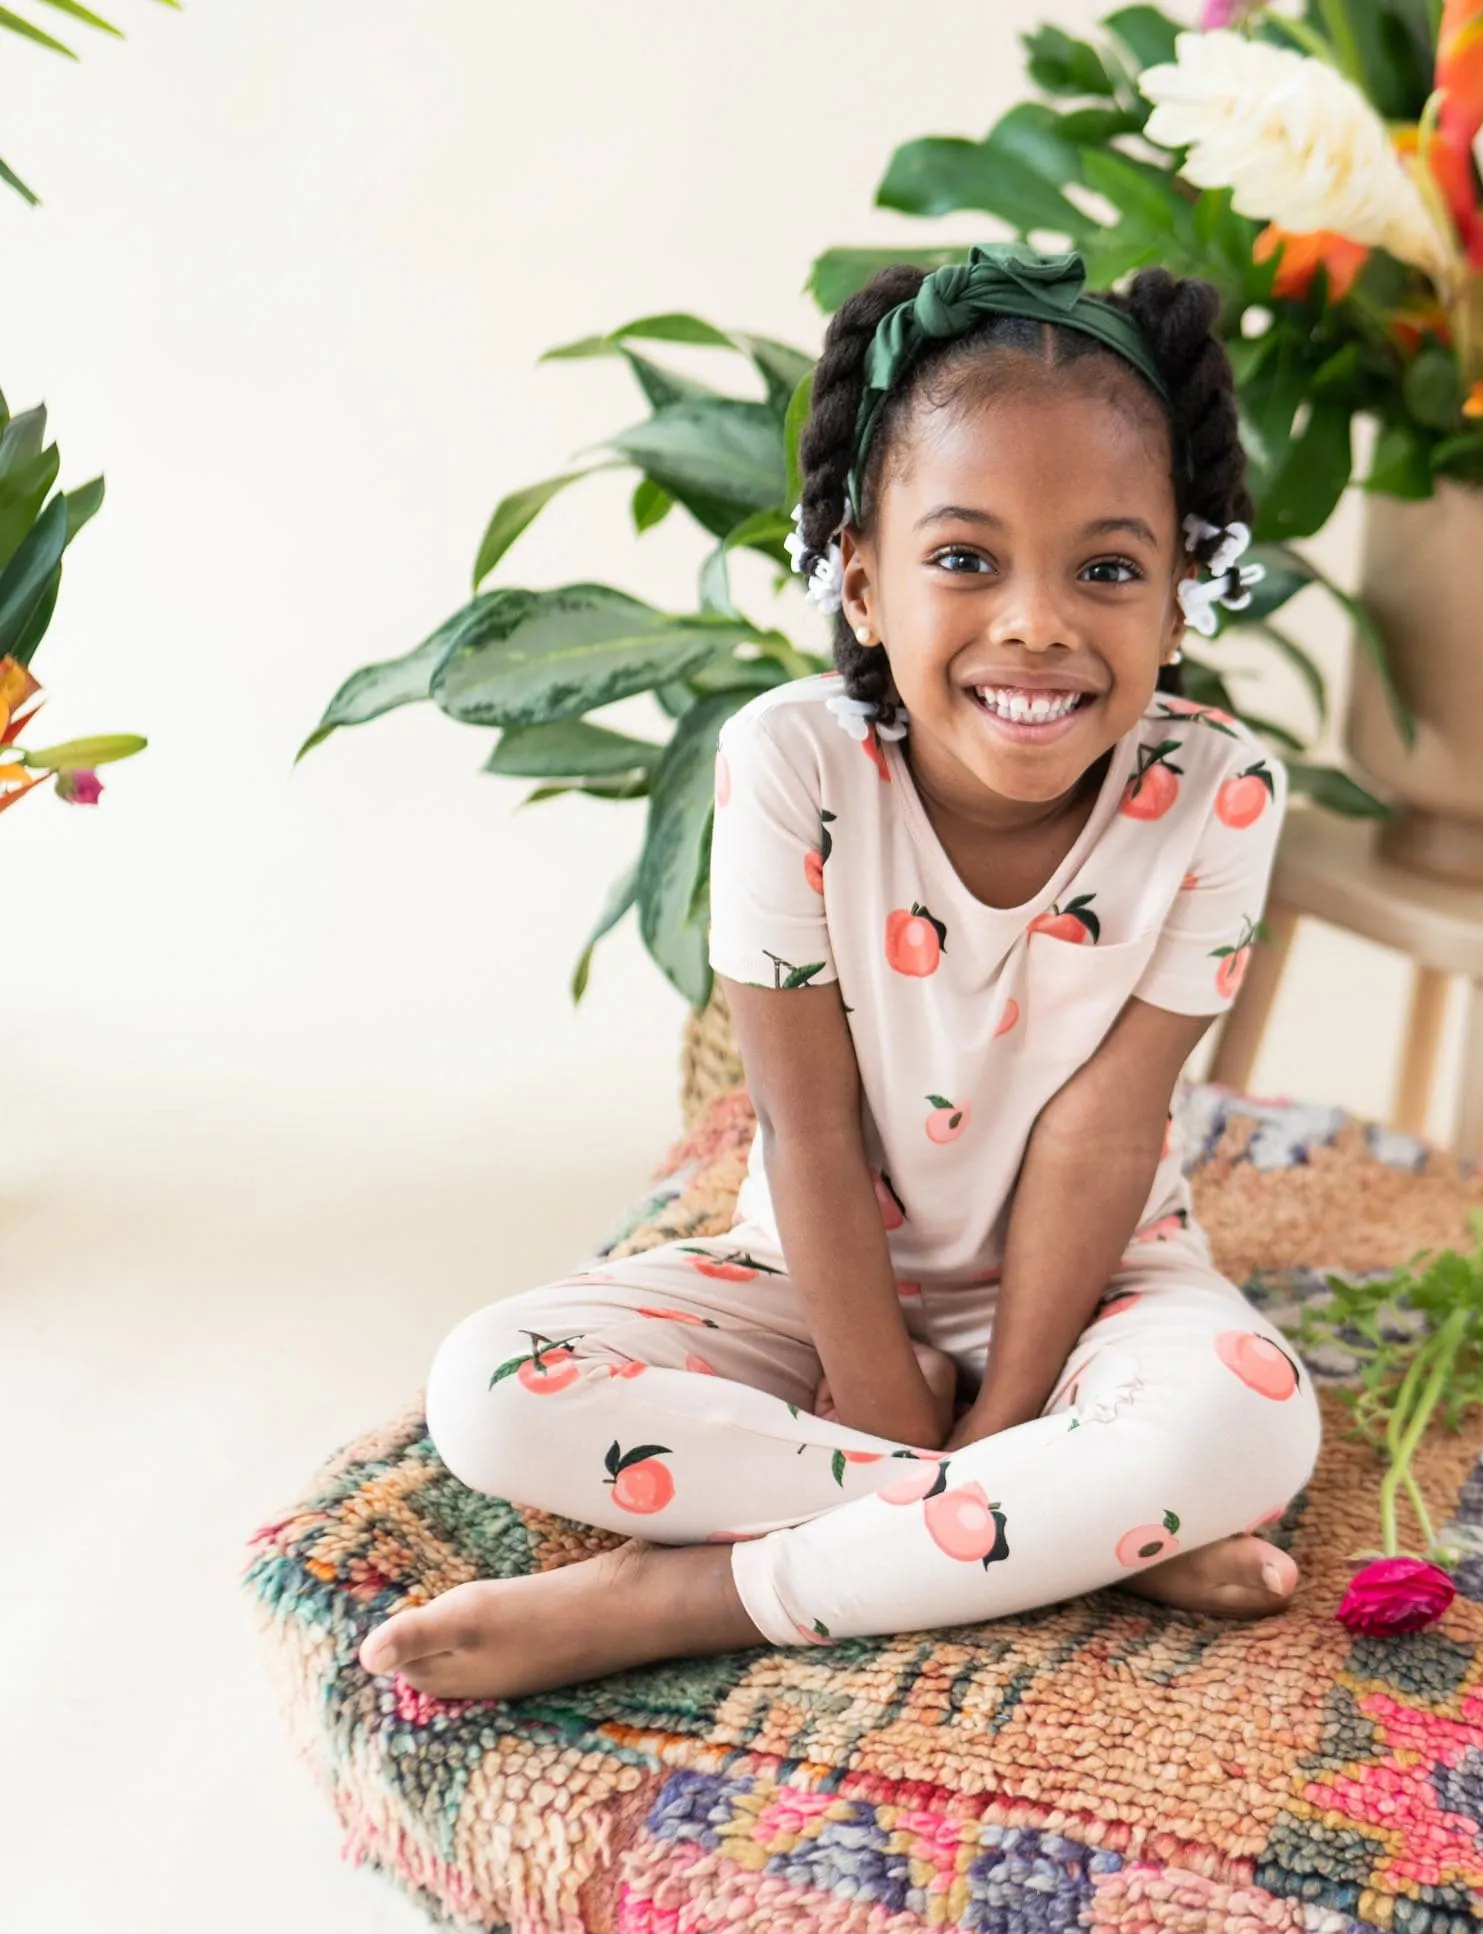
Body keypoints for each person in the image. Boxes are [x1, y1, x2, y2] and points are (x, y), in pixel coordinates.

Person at [357, 243, 1323, 1700]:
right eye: (963, 559)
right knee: (486, 1393)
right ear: (862, 581)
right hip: (808, 1282)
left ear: (1184, 595)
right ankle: (1089, 1535)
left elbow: (1105, 1125)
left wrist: (1003, 1413)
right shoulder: (793, 763)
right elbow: (803, 1125)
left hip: (1097, 1283)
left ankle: (688, 1599)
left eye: (1109, 568)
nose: (1037, 624)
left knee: (1251, 1429)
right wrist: (891, 1399)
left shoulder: (1219, 788)